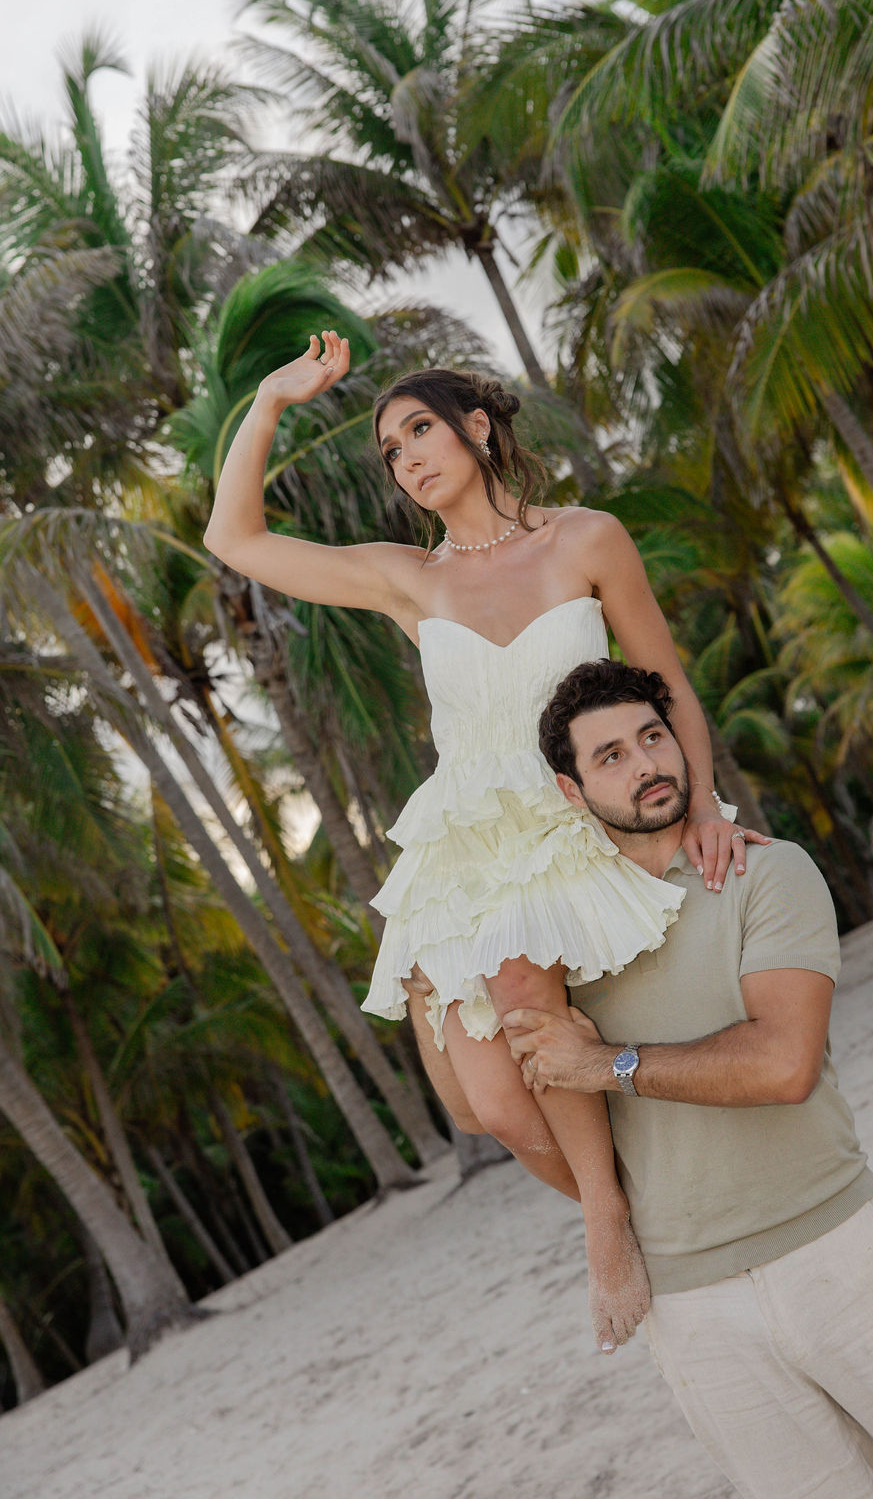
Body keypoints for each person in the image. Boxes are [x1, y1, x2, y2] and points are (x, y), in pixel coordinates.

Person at [202, 330, 767, 1351]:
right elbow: (235, 539)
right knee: (486, 1109)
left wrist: (701, 806)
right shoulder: (407, 578)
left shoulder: (586, 539)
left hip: (564, 818)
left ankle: (610, 1228)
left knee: (518, 1004)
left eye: (420, 430)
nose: (407, 458)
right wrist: (272, 401)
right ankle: (661, 1216)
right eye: (390, 451)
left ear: (476, 426)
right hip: (461, 850)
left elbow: (664, 682)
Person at [496, 658, 873, 1499]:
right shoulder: (558, 943)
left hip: (842, 1249)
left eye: (653, 737)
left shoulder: (765, 872)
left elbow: (783, 1064)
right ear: (571, 791)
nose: (646, 765)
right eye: (611, 757)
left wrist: (607, 1063)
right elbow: (501, 1097)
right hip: (692, 1307)